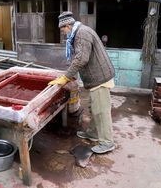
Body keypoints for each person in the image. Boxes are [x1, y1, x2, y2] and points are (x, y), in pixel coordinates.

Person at [48, 11, 115, 154]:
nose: (62, 32)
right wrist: (70, 74)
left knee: (101, 111)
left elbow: (81, 59)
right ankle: (92, 134)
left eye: (62, 29)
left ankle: (107, 142)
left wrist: (66, 77)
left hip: (100, 78)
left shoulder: (82, 34)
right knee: (94, 108)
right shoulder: (79, 32)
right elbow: (79, 58)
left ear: (67, 25)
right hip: (95, 79)